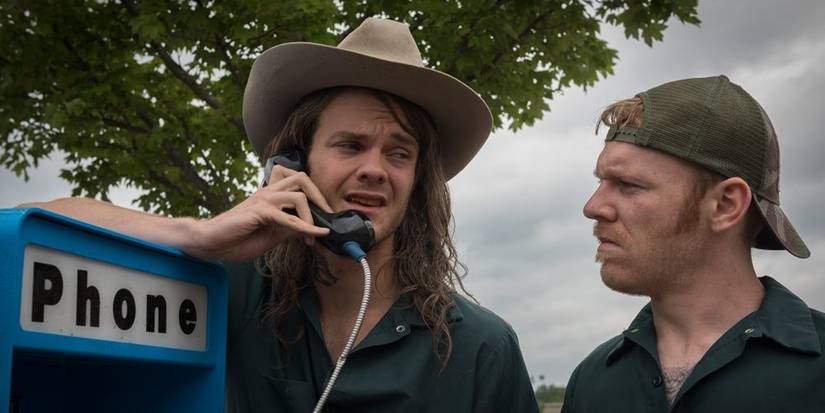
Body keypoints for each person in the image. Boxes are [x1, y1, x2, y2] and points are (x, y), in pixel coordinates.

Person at [20, 18, 538, 412]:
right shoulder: (232, 292)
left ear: (419, 181)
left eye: (398, 153)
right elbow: (33, 220)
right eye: (350, 145)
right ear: (291, 165)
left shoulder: (479, 347)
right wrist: (199, 236)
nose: (375, 169)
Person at [561, 75, 824, 412]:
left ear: (726, 204)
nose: (593, 207)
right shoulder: (593, 382)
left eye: (627, 184)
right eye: (601, 182)